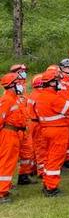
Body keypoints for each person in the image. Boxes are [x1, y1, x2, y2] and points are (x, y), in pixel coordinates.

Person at [34, 68, 69, 197]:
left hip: (46, 130)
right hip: (57, 131)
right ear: (52, 83)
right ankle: (51, 188)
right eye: (58, 81)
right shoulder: (54, 98)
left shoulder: (41, 96)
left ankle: (47, 183)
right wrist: (68, 101)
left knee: (48, 159)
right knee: (55, 160)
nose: (60, 83)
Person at [0, 72, 28, 203]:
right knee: (6, 163)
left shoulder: (14, 98)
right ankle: (1, 193)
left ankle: (5, 187)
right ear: (11, 85)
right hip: (8, 134)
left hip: (15, 133)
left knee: (10, 163)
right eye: (18, 83)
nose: (21, 85)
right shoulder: (6, 100)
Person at [9, 64, 37, 184]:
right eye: (22, 71)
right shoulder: (11, 90)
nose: (24, 73)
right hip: (15, 128)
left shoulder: (23, 87)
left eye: (25, 71)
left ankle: (24, 175)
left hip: (25, 125)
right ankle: (5, 185)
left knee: (28, 152)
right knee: (11, 156)